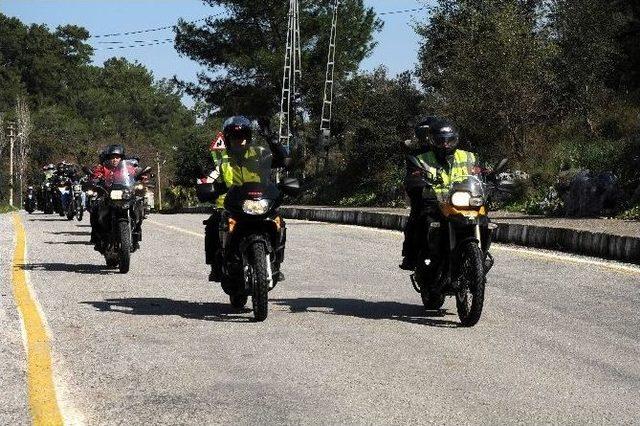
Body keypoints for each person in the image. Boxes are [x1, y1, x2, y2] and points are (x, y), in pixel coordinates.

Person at [202, 116, 291, 282]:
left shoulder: (260, 154)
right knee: (213, 225)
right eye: (235, 137)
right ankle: (216, 267)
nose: (239, 140)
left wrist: (271, 139)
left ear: (248, 137)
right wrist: (206, 188)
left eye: (243, 136)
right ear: (227, 139)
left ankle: (276, 262)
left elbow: (283, 160)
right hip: (229, 205)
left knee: (280, 223)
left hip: (259, 201)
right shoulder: (221, 159)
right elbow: (209, 177)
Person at [400, 117, 478, 270]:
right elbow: (412, 177)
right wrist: (416, 181)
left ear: (456, 139)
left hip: (461, 201)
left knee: (484, 220)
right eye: (441, 141)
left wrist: (491, 178)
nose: (445, 144)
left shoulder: (468, 156)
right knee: (419, 220)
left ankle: (478, 259)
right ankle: (415, 257)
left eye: (449, 140)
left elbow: (478, 173)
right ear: (432, 139)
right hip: (433, 202)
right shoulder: (420, 158)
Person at [89, 144, 137, 250]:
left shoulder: (128, 168)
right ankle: (96, 237)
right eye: (112, 157)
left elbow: (136, 173)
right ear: (109, 158)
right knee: (95, 209)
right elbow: (95, 175)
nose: (115, 159)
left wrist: (141, 177)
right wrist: (95, 179)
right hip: (108, 195)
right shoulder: (103, 168)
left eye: (117, 157)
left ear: (121, 158)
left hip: (124, 194)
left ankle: (136, 234)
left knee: (136, 206)